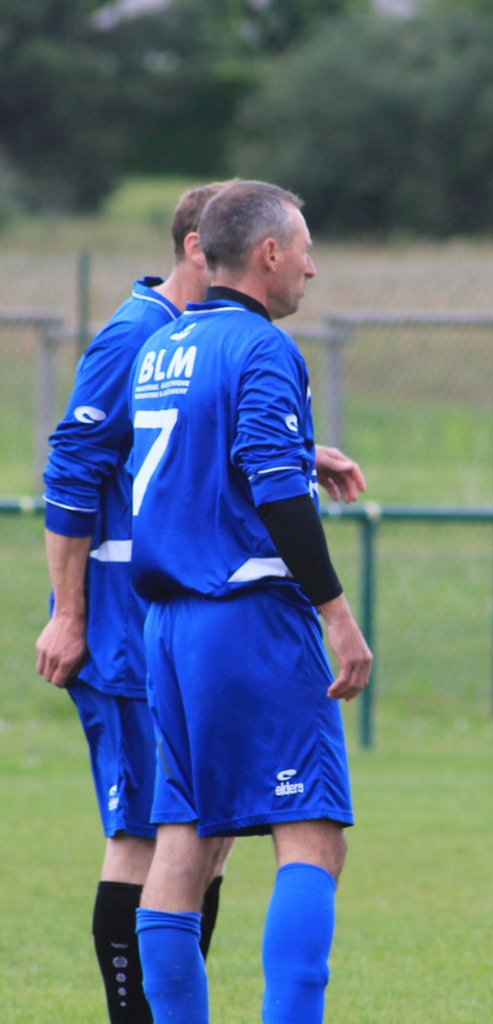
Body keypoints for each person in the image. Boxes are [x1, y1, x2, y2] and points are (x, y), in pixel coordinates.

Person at [127, 179, 372, 1024]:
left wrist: (305, 453)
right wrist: (336, 613)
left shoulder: (164, 347)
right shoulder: (263, 349)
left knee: (185, 841)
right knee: (313, 834)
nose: (312, 266)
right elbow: (271, 490)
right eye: (304, 248)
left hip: (169, 627)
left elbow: (210, 464)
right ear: (268, 254)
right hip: (248, 621)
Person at [36, 182, 232, 1024]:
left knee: (204, 840)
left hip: (178, 632)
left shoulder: (189, 341)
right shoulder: (135, 335)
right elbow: (73, 469)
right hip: (122, 631)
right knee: (145, 839)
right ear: (195, 247)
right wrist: (70, 613)